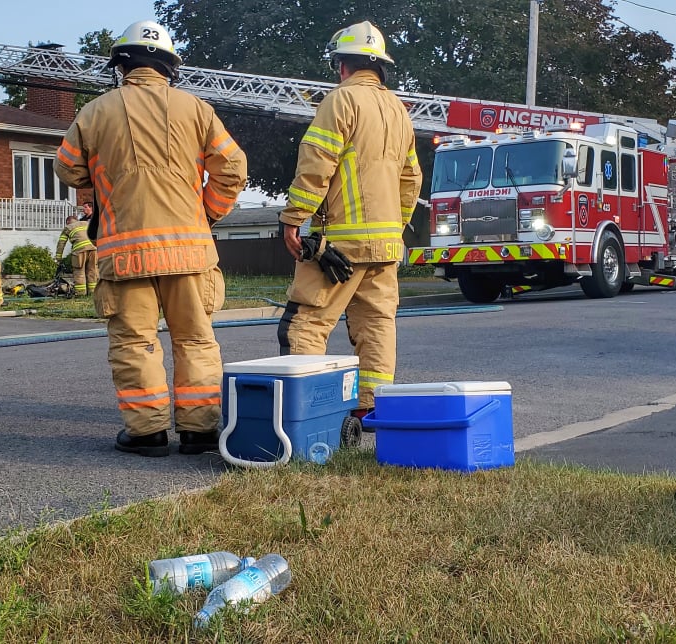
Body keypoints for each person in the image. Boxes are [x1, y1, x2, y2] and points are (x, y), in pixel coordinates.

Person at [55, 20, 247, 457]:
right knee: (196, 339)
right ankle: (199, 432)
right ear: (169, 68)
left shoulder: (94, 112)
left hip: (125, 254)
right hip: (190, 251)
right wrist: (206, 213)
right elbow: (233, 169)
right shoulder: (197, 109)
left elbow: (67, 169)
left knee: (134, 342)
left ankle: (147, 433)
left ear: (121, 65)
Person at [276, 21, 423, 424]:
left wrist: (294, 217)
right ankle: (369, 410)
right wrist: (395, 226)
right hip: (386, 246)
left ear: (342, 65)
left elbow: (316, 163)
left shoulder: (340, 100)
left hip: (338, 246)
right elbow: (412, 180)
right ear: (380, 67)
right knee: (376, 326)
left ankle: (304, 415)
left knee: (305, 324)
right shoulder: (399, 111)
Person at [55, 214, 98, 296]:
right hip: (93, 249)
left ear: (68, 222)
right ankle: (93, 292)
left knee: (79, 271)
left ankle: (81, 293)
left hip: (79, 251)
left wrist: (58, 258)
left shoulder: (68, 227)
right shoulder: (86, 223)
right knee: (92, 271)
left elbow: (61, 243)